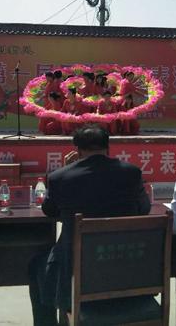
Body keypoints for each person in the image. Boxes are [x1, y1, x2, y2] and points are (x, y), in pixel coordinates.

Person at [28, 125, 150, 326]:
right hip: (127, 267)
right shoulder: (132, 173)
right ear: (108, 148)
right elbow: (144, 208)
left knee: (36, 265)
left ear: (77, 150)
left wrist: (66, 169)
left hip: (77, 273)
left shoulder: (60, 177)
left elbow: (50, 211)